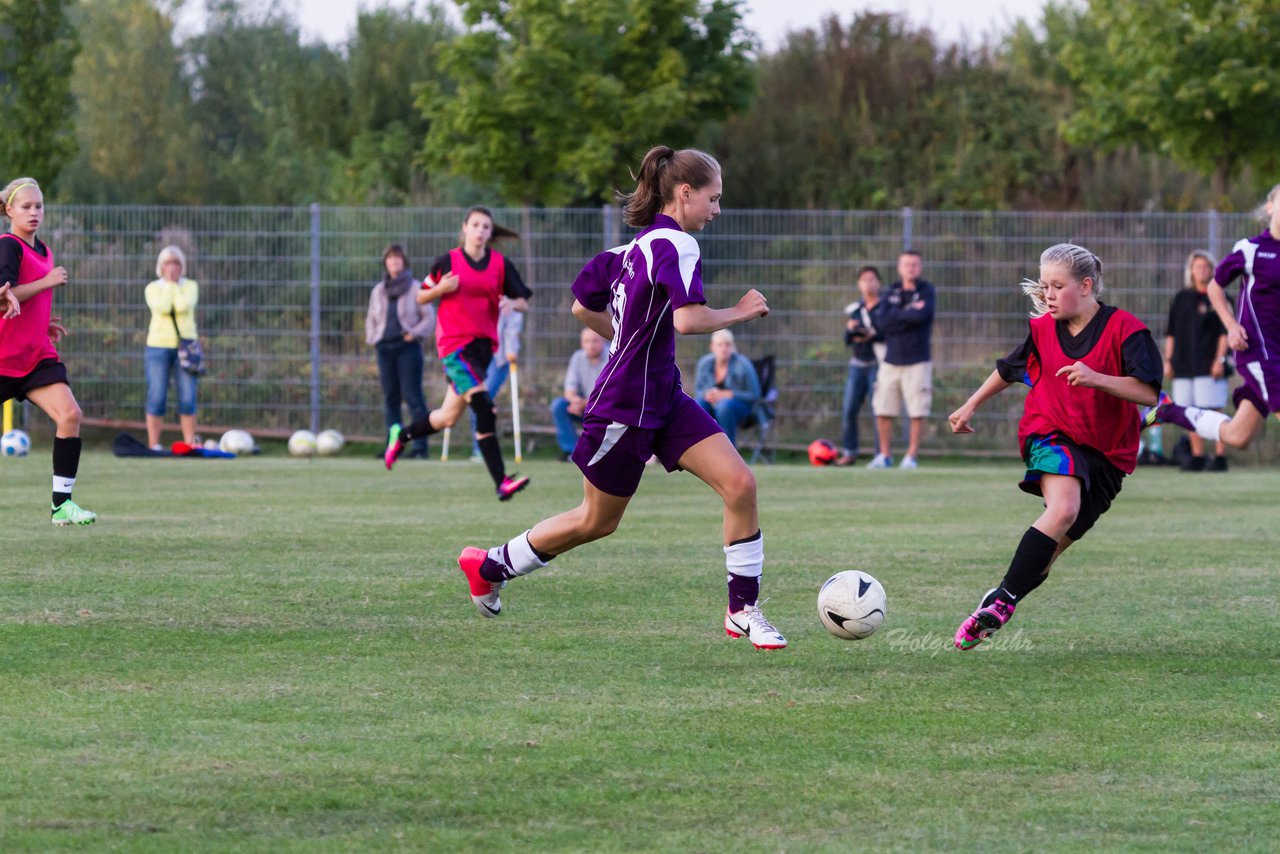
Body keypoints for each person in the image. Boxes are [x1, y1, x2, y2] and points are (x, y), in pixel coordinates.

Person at [455, 145, 786, 649]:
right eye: (714, 199)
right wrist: (740, 311)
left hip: (666, 398)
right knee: (596, 521)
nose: (717, 210)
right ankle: (489, 565)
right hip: (624, 407)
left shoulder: (626, 252)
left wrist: (628, 335)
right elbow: (687, 319)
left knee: (740, 485)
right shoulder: (677, 245)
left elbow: (580, 306)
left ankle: (742, 610)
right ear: (685, 193)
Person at [947, 243, 1161, 650]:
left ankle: (999, 597)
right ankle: (1004, 602)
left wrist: (1096, 377)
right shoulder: (1043, 329)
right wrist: (970, 404)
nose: (1047, 295)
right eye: (1044, 285)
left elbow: (1149, 393)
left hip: (1108, 455)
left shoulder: (1127, 331)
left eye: (1057, 286)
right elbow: (1009, 369)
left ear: (1085, 286)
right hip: (1051, 432)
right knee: (1063, 508)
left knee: (1046, 555)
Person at [382, 206, 532, 501]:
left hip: (483, 349)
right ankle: (501, 480)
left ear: (490, 233)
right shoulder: (448, 262)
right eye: (475, 225)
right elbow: (420, 295)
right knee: (484, 408)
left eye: (486, 227)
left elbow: (523, 299)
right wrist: (441, 288)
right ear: (464, 228)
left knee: (447, 418)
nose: (480, 231)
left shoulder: (500, 265)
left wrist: (512, 305)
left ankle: (403, 435)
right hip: (455, 346)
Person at [1143, 183, 1280, 460]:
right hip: (1260, 354)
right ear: (1270, 207)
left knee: (1238, 436)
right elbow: (1216, 287)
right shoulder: (1251, 249)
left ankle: (1170, 410)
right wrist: (1231, 327)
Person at [0, 177, 96, 525]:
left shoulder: (44, 250)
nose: (34, 212)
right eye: (25, 206)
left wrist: (44, 324)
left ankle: (62, 505)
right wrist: (46, 282)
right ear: (9, 210)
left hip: (35, 356)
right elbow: (3, 297)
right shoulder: (8, 246)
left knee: (69, 415)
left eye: (38, 206)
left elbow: (28, 299)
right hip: (3, 360)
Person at [366, 243, 436, 459]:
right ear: (385, 262)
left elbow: (429, 317)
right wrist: (373, 337)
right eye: (390, 258)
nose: (394, 262)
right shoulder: (379, 290)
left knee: (413, 397)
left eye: (398, 258)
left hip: (408, 348)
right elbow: (371, 317)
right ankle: (393, 447)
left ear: (404, 262)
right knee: (391, 398)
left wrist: (414, 334)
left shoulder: (416, 287)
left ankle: (420, 447)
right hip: (384, 347)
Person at [1161, 250, 1229, 471]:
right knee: (1189, 411)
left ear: (1212, 269)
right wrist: (1168, 360)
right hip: (1183, 365)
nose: (1202, 270)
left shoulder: (1219, 297)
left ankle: (1219, 457)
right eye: (1197, 267)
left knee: (1214, 409)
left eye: (1205, 267)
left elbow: (1224, 332)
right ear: (1191, 271)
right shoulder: (1181, 298)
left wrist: (1220, 359)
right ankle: (1197, 456)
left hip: (1208, 365)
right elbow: (1171, 331)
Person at [868, 249, 935, 470]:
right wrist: (907, 314)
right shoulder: (891, 291)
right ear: (899, 267)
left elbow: (922, 317)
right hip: (891, 360)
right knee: (883, 407)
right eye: (906, 264)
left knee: (918, 409)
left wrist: (899, 316)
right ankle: (885, 455)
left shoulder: (927, 291)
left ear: (920, 266)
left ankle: (911, 456)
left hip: (918, 359)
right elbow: (882, 322)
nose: (910, 268)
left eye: (914, 264)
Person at [144, 245, 201, 449]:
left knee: (187, 396)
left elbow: (183, 306)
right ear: (161, 266)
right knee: (157, 395)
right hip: (158, 347)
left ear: (182, 266)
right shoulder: (153, 288)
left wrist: (175, 286)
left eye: (176, 263)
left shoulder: (190, 286)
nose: (172, 268)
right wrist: (169, 285)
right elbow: (163, 307)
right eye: (168, 263)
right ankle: (154, 444)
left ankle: (189, 443)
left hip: (186, 348)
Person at [837, 265, 886, 466]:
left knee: (879, 411)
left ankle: (880, 454)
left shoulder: (885, 308)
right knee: (849, 409)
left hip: (877, 364)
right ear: (859, 284)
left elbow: (887, 333)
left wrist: (871, 335)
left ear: (879, 283)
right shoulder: (855, 309)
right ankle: (849, 452)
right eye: (864, 279)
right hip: (857, 364)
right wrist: (852, 331)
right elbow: (847, 339)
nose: (868, 283)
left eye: (872, 279)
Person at [469, 295, 526, 460]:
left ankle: (482, 448)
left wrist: (511, 350)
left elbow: (512, 328)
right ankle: (479, 448)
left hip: (499, 357)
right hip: (477, 354)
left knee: (481, 399)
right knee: (476, 400)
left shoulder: (509, 296)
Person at [693, 328, 760, 447]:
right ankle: (701, 448)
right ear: (712, 346)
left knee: (724, 406)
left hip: (740, 408)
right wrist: (707, 394)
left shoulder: (743, 364)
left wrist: (729, 394)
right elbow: (698, 391)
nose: (724, 349)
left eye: (727, 345)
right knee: (698, 404)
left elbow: (755, 394)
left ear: (733, 347)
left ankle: (729, 449)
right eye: (720, 345)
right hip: (711, 405)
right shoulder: (704, 363)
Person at [551, 327, 609, 460]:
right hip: (586, 407)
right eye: (587, 341)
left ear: (603, 341)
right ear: (582, 343)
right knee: (559, 406)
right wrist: (574, 401)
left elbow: (609, 395)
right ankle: (572, 452)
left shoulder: (612, 356)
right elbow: (569, 389)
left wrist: (582, 403)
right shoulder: (577, 357)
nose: (591, 345)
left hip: (606, 410)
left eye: (595, 341)